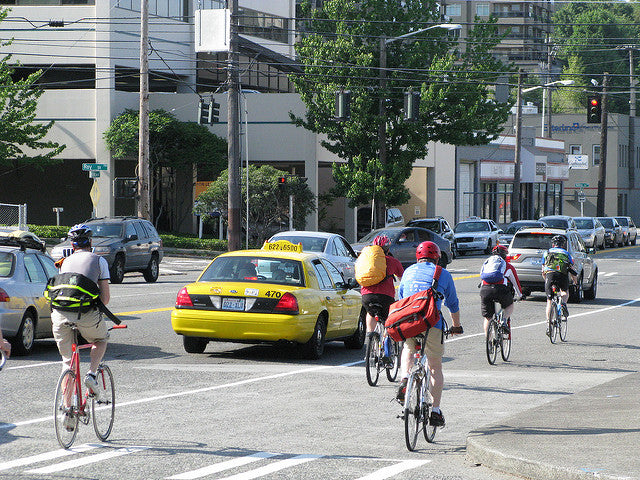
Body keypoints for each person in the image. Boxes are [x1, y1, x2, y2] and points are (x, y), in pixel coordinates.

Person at [396, 241, 463, 427]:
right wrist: (456, 325)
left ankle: (405, 378)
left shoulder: (408, 271)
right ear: (436, 257)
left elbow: (402, 298)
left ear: (418, 257)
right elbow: (453, 304)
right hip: (431, 322)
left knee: (408, 349)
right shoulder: (442, 274)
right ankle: (435, 410)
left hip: (409, 320)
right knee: (434, 367)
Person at [51, 224, 111, 404]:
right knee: (100, 340)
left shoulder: (64, 262)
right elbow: (105, 299)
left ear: (72, 244)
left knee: (67, 362)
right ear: (90, 242)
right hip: (85, 313)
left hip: (60, 314)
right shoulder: (99, 261)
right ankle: (91, 374)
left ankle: (67, 410)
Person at [360, 235, 404, 346]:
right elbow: (402, 279)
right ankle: (386, 343)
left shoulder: (367, 261)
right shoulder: (393, 261)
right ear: (388, 249)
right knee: (388, 319)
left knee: (370, 313)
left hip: (366, 296)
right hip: (385, 297)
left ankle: (370, 336)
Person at [479, 244, 523, 336]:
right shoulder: (508, 266)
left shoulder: (487, 263)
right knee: (509, 305)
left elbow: (482, 278)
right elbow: (516, 283)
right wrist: (520, 295)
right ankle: (504, 320)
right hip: (500, 289)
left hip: (485, 290)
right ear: (505, 255)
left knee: (488, 317)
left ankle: (489, 341)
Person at [542, 235, 577, 326]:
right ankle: (563, 304)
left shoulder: (547, 253)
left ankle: (548, 323)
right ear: (562, 245)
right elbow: (571, 269)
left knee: (549, 300)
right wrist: (575, 282)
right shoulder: (566, 253)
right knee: (565, 292)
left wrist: (546, 280)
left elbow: (543, 270)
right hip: (562, 275)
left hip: (550, 275)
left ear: (553, 244)